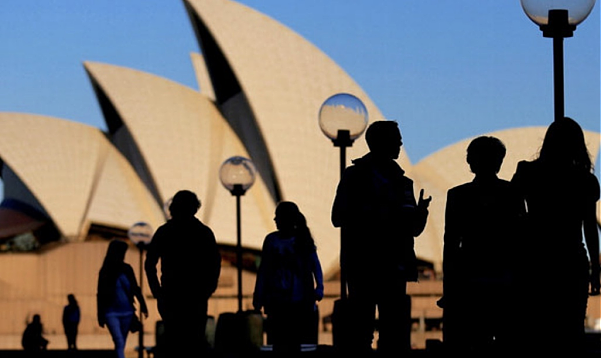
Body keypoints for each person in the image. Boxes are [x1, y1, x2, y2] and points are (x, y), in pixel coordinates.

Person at [331, 120, 431, 356]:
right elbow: (338, 216)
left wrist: (421, 213)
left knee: (394, 331)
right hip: (363, 264)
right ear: (380, 142)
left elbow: (413, 229)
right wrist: (380, 212)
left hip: (394, 266)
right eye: (396, 138)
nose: (400, 143)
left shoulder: (403, 182)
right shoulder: (354, 176)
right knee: (360, 330)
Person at [510, 117, 600, 355]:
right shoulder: (585, 180)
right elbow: (590, 227)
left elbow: (511, 210)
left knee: (537, 329)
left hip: (536, 260)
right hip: (572, 260)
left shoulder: (527, 171)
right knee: (571, 330)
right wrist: (595, 269)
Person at [441, 136, 524, 355]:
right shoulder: (512, 193)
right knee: (508, 343)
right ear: (500, 161)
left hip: (470, 280)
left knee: (473, 344)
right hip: (505, 280)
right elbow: (521, 239)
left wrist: (448, 285)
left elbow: (450, 243)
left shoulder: (457, 195)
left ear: (470, 162)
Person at [145, 190, 221, 357]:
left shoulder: (164, 231)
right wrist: (208, 288)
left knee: (174, 341)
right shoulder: (203, 232)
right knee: (194, 342)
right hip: (195, 296)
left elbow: (150, 264)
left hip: (172, 295)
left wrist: (157, 291)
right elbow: (215, 263)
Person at [253, 201, 324, 355]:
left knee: (286, 340)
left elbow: (263, 270)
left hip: (293, 299)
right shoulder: (276, 240)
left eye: (277, 217)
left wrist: (319, 287)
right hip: (283, 299)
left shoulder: (295, 240)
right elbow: (264, 270)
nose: (275, 221)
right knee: (287, 341)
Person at [97, 239, 148, 358]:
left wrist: (143, 305)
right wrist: (100, 314)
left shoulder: (127, 269)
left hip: (127, 312)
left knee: (121, 343)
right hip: (111, 312)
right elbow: (100, 293)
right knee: (119, 340)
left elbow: (135, 288)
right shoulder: (105, 271)